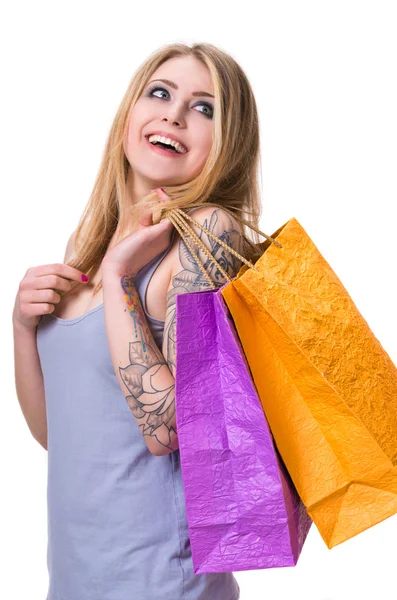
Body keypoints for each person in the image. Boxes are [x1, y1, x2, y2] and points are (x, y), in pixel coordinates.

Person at [12, 41, 264, 600]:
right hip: (76, 581)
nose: (174, 113)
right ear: (131, 113)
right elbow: (60, 435)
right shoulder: (89, 244)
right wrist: (22, 329)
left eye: (205, 108)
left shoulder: (209, 235)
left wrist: (120, 277)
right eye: (160, 93)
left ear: (229, 141)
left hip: (161, 583)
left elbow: (170, 430)